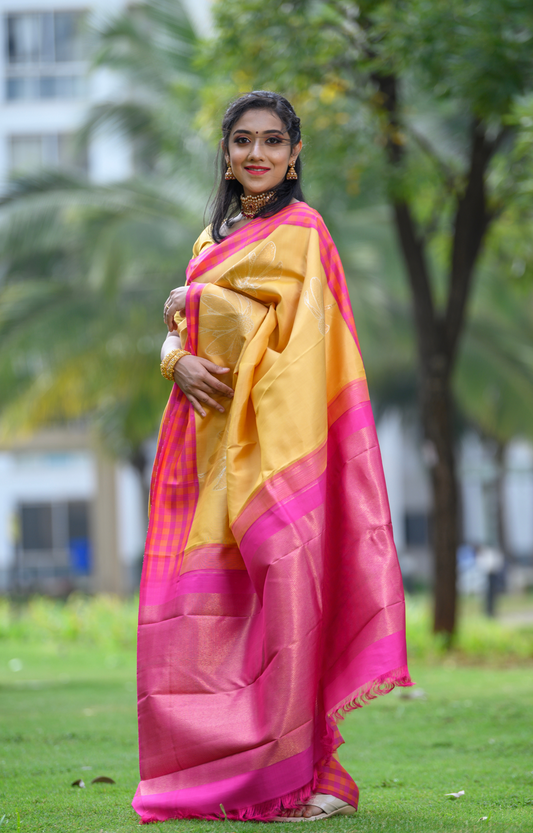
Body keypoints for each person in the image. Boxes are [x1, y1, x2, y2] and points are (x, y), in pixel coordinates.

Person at [133, 91, 412, 824]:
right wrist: (174, 358)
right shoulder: (207, 241)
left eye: (272, 142)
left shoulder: (304, 235)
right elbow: (180, 333)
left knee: (290, 598)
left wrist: (198, 306)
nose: (256, 155)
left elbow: (304, 350)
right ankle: (240, 769)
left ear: (294, 154)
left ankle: (315, 774)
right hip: (208, 456)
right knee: (217, 619)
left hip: (284, 454)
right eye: (242, 141)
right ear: (225, 153)